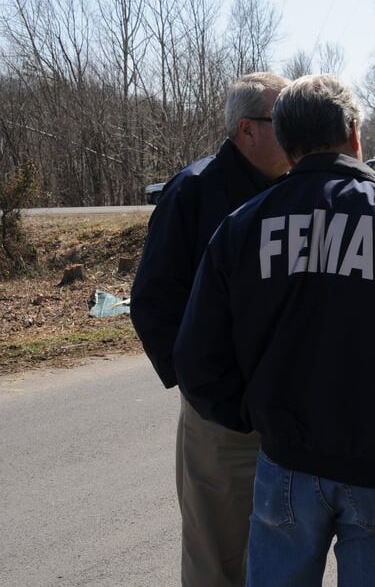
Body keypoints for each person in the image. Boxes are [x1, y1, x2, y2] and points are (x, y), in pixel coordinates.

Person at [172, 74, 375, 586]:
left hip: (284, 463)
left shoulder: (240, 228)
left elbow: (197, 359)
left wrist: (253, 415)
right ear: (355, 134)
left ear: (285, 144)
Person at [130, 72, 291, 587]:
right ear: (247, 131)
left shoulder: (294, 188)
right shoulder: (195, 191)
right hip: (224, 417)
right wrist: (209, 388)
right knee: (218, 556)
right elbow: (154, 300)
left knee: (282, 547)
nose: (294, 133)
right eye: (282, 122)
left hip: (289, 410)